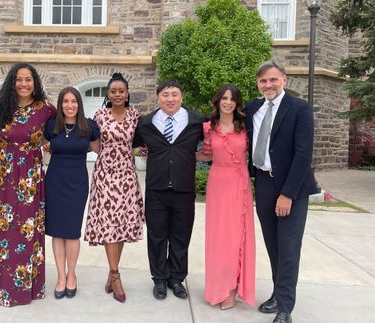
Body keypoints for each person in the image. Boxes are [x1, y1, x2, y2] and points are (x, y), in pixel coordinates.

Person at [0, 62, 56, 307]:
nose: (23, 84)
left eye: (28, 79)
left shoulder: (45, 109)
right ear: (12, 82)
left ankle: (22, 288)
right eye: (19, 79)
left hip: (29, 180)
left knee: (24, 231)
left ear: (35, 82)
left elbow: (66, 126)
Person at [245, 61, 316, 323]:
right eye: (263, 81)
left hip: (291, 189)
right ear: (258, 84)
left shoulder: (299, 109)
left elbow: (303, 155)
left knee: (288, 247)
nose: (268, 85)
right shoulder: (253, 108)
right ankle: (278, 292)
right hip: (263, 183)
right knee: (273, 245)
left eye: (273, 80)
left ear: (284, 80)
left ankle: (285, 307)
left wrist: (287, 194)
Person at [133, 80, 205, 300]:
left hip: (184, 189)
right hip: (157, 188)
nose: (170, 99)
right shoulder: (145, 123)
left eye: (174, 94)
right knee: (156, 236)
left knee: (181, 236)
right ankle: (159, 279)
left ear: (181, 97)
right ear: (158, 98)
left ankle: (176, 278)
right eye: (165, 95)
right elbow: (132, 144)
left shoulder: (197, 121)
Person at [84, 72, 144, 303]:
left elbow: (140, 142)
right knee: (109, 223)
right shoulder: (99, 116)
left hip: (127, 177)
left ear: (127, 93)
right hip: (105, 176)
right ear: (108, 94)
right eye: (113, 91)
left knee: (121, 225)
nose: (117, 94)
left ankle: (111, 273)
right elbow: (94, 145)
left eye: (121, 91)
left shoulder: (136, 115)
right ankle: (116, 275)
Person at [198, 84, 255, 310]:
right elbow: (206, 154)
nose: (228, 102)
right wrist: (177, 154)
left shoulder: (245, 127)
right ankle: (217, 287)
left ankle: (231, 290)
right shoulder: (208, 127)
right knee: (218, 238)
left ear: (237, 103)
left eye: (232, 99)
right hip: (217, 184)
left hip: (239, 184)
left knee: (236, 237)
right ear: (217, 101)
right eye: (224, 98)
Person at [44, 87, 100, 299]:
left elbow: (100, 150)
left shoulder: (89, 127)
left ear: (79, 103)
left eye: (73, 101)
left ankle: (72, 275)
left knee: (72, 231)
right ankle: (60, 276)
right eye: (65, 101)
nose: (70, 105)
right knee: (57, 231)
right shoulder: (52, 126)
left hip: (77, 183)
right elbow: (33, 146)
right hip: (55, 182)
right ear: (60, 104)